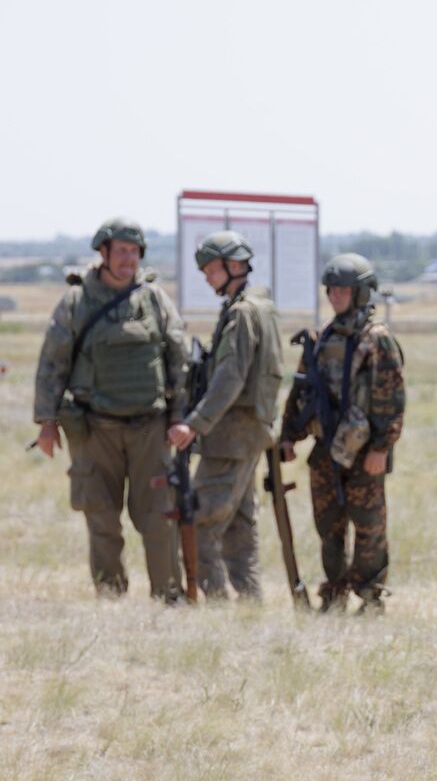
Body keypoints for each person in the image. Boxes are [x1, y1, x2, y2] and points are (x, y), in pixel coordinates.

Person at [32, 217, 188, 600]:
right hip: (94, 428)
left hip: (150, 428)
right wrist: (47, 423)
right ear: (102, 253)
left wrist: (180, 417)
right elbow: (53, 363)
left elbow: (178, 361)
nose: (128, 259)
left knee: (157, 516)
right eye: (120, 251)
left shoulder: (154, 300)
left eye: (134, 252)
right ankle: (110, 594)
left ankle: (168, 595)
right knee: (100, 514)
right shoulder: (76, 302)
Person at [280, 253, 405, 614]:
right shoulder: (321, 340)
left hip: (366, 451)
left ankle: (370, 596)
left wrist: (382, 446)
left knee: (369, 529)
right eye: (331, 289)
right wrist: (290, 435)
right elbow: (302, 394)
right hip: (325, 451)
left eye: (344, 290)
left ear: (362, 292)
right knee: (328, 528)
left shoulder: (377, 340)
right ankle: (333, 594)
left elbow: (392, 398)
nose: (335, 295)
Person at [167, 231, 283, 600]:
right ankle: (250, 603)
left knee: (200, 522)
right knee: (238, 527)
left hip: (230, 436)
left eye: (210, 269)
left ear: (233, 266)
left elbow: (230, 378)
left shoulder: (242, 312)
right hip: (247, 434)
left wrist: (194, 423)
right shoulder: (259, 306)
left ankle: (216, 606)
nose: (206, 277)